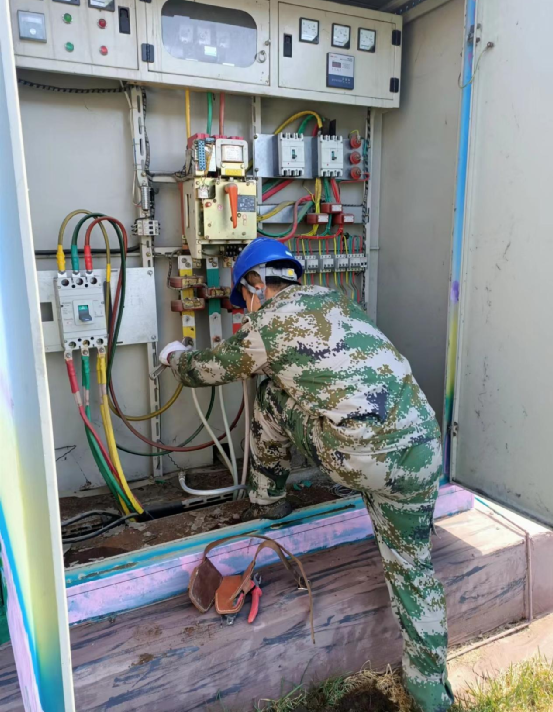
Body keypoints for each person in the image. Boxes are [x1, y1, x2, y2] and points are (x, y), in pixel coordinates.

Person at [159, 237, 453, 712]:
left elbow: (207, 370)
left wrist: (173, 356)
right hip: (421, 450)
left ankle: (267, 501)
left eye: (244, 299)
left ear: (256, 283)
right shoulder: (338, 302)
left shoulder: (269, 322)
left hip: (359, 457)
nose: (246, 310)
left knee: (272, 398)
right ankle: (431, 697)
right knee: (414, 573)